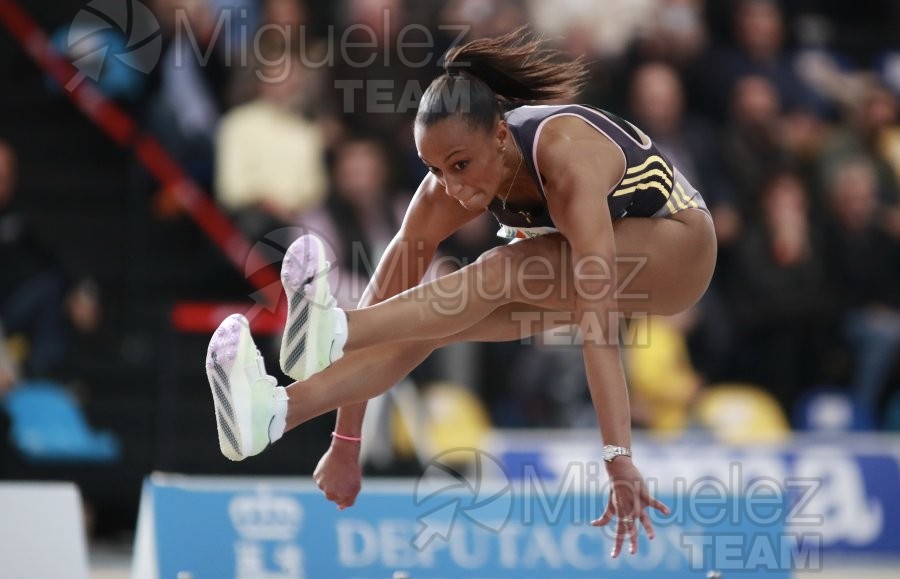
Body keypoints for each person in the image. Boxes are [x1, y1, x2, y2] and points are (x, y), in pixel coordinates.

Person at [204, 29, 716, 556]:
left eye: (459, 166)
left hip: (682, 251)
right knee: (428, 326)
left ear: (499, 137)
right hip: (596, 256)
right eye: (433, 169)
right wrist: (345, 441)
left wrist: (618, 456)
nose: (450, 185)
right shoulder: (451, 177)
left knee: (507, 266)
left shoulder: (566, 163)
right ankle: (274, 413)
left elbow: (598, 325)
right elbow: (386, 299)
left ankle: (330, 330)